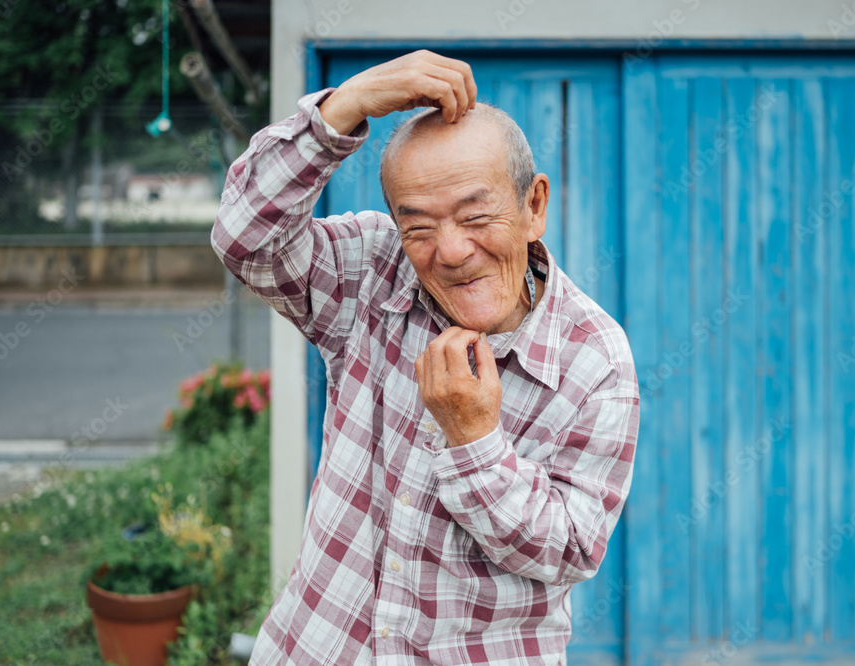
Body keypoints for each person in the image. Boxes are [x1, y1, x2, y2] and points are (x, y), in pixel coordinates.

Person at [212, 50, 639, 666]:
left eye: (476, 215)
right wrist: (347, 105)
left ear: (533, 206)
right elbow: (245, 237)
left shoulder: (593, 359)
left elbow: (571, 550)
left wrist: (476, 444)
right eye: (418, 228)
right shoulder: (371, 273)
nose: (452, 250)